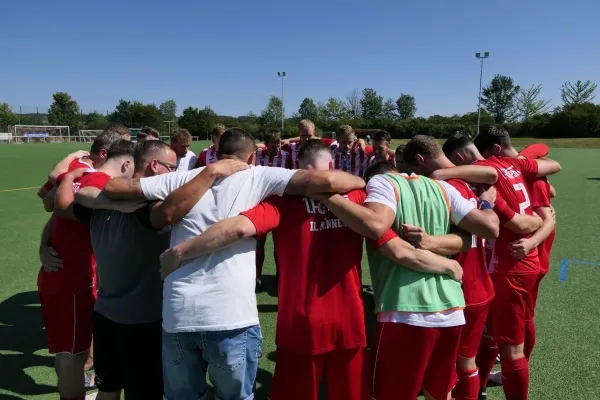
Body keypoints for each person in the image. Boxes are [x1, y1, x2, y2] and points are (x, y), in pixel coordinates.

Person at [158, 140, 466, 400]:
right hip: (350, 322)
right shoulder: (358, 200)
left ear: (300, 170)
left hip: (300, 326)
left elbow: (238, 228)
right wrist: (448, 263)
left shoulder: (282, 203)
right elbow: (395, 247)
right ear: (332, 164)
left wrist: (181, 251)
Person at [99, 128, 366, 400]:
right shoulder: (260, 176)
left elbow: (112, 186)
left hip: (179, 314)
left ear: (216, 152)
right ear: (252, 156)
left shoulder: (180, 178)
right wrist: (359, 181)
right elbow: (329, 179)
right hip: (231, 316)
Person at [313, 159, 502, 400]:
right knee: (439, 393)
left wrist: (326, 195)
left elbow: (378, 228)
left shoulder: (382, 183)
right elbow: (488, 228)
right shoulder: (442, 188)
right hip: (452, 310)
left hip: (405, 310)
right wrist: (486, 204)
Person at [402, 135, 545, 400]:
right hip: (489, 278)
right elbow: (499, 177)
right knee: (484, 345)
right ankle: (478, 390)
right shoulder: (484, 176)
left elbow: (493, 226)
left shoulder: (445, 186)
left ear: (421, 161)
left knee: (461, 361)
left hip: (469, 282)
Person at [442, 131, 560, 400]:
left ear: (460, 159)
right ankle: (481, 386)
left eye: (454, 164)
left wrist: (437, 175)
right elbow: (551, 175)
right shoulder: (512, 163)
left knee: (511, 346)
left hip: (510, 265)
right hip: (521, 262)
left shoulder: (485, 173)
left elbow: (519, 222)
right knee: (500, 333)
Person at [37, 139, 136, 400]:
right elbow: (59, 209)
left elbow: (54, 212)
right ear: (126, 163)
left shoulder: (79, 177)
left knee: (66, 351)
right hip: (74, 280)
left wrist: (43, 246)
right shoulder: (100, 185)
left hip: (60, 276)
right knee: (73, 355)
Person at [38, 125, 131, 210]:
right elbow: (49, 202)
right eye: (122, 149)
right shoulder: (88, 174)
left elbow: (43, 193)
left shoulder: (72, 162)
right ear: (103, 153)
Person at [254, 129, 291, 290]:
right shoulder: (259, 155)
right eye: (273, 144)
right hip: (261, 204)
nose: (277, 147)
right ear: (266, 144)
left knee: (280, 244)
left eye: (279, 143)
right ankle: (256, 277)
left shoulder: (287, 156)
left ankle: (281, 277)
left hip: (280, 205)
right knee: (259, 243)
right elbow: (251, 146)